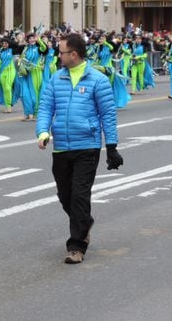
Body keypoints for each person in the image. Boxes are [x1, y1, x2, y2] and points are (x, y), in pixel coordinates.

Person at [36, 32, 122, 264]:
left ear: (74, 54)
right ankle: (85, 222)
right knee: (65, 196)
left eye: (61, 52)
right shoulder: (56, 78)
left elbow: (108, 115)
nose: (58, 55)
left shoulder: (98, 80)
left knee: (80, 196)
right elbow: (45, 107)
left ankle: (77, 245)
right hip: (62, 147)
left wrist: (111, 147)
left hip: (87, 146)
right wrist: (43, 132)